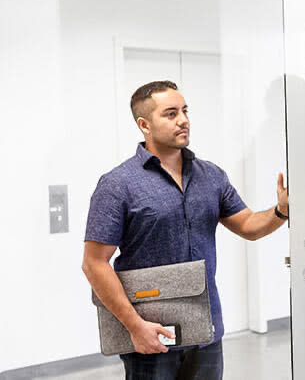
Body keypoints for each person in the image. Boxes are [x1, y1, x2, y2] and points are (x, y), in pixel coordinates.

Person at [81, 80, 289, 380]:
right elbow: (94, 263)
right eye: (170, 113)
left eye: (185, 110)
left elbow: (248, 225)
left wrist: (280, 210)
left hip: (206, 329)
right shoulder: (117, 184)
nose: (183, 120)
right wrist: (135, 326)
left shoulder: (212, 176)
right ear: (144, 125)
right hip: (151, 333)